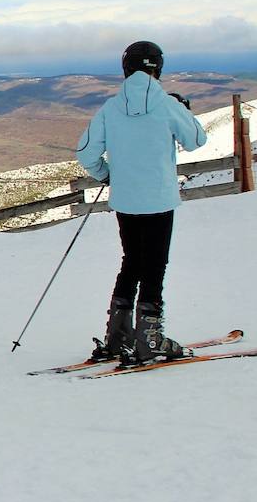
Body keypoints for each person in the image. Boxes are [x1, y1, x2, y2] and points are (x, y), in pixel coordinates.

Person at [76, 40, 207, 364]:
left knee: (131, 262)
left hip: (125, 200)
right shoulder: (166, 104)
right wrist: (184, 110)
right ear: (156, 68)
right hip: (159, 199)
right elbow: (196, 141)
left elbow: (86, 153)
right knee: (154, 266)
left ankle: (118, 337)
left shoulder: (110, 108)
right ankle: (150, 339)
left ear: (126, 68)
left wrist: (106, 175)